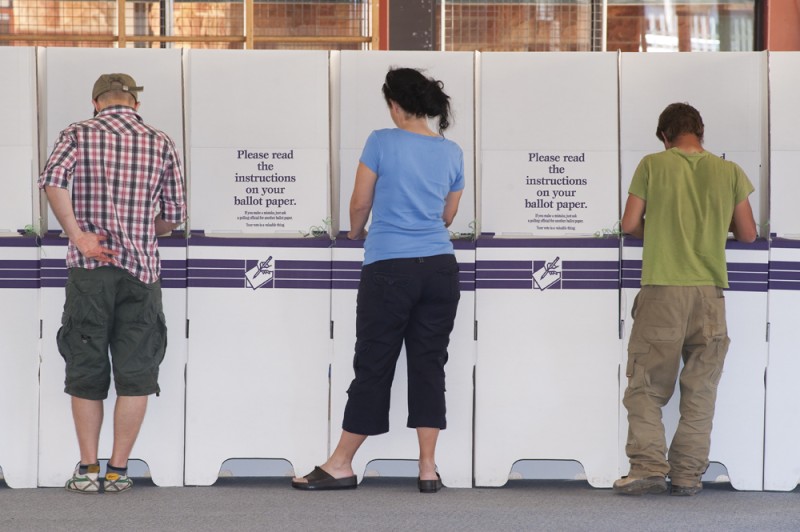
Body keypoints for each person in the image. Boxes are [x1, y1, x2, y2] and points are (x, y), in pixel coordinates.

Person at [292, 67, 464, 493]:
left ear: (394, 104)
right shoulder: (452, 151)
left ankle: (341, 464)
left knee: (373, 365)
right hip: (441, 268)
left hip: (389, 268)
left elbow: (359, 202)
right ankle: (427, 469)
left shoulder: (381, 141)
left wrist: (355, 232)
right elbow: (447, 215)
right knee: (429, 366)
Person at [38, 73, 187, 494]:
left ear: (95, 101)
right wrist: (145, 229)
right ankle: (119, 471)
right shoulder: (160, 141)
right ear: (134, 103)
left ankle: (87, 470)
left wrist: (78, 235)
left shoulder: (78, 133)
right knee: (136, 372)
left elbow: (52, 181)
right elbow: (173, 215)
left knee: (86, 370)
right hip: (142, 273)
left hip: (90, 271)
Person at [613, 102, 757, 497]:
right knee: (700, 390)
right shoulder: (729, 172)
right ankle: (688, 475)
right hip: (710, 297)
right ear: (701, 132)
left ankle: (647, 467)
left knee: (645, 386)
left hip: (662, 291)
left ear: (664, 136)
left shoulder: (653, 165)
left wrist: (659, 227)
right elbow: (747, 233)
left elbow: (629, 224)